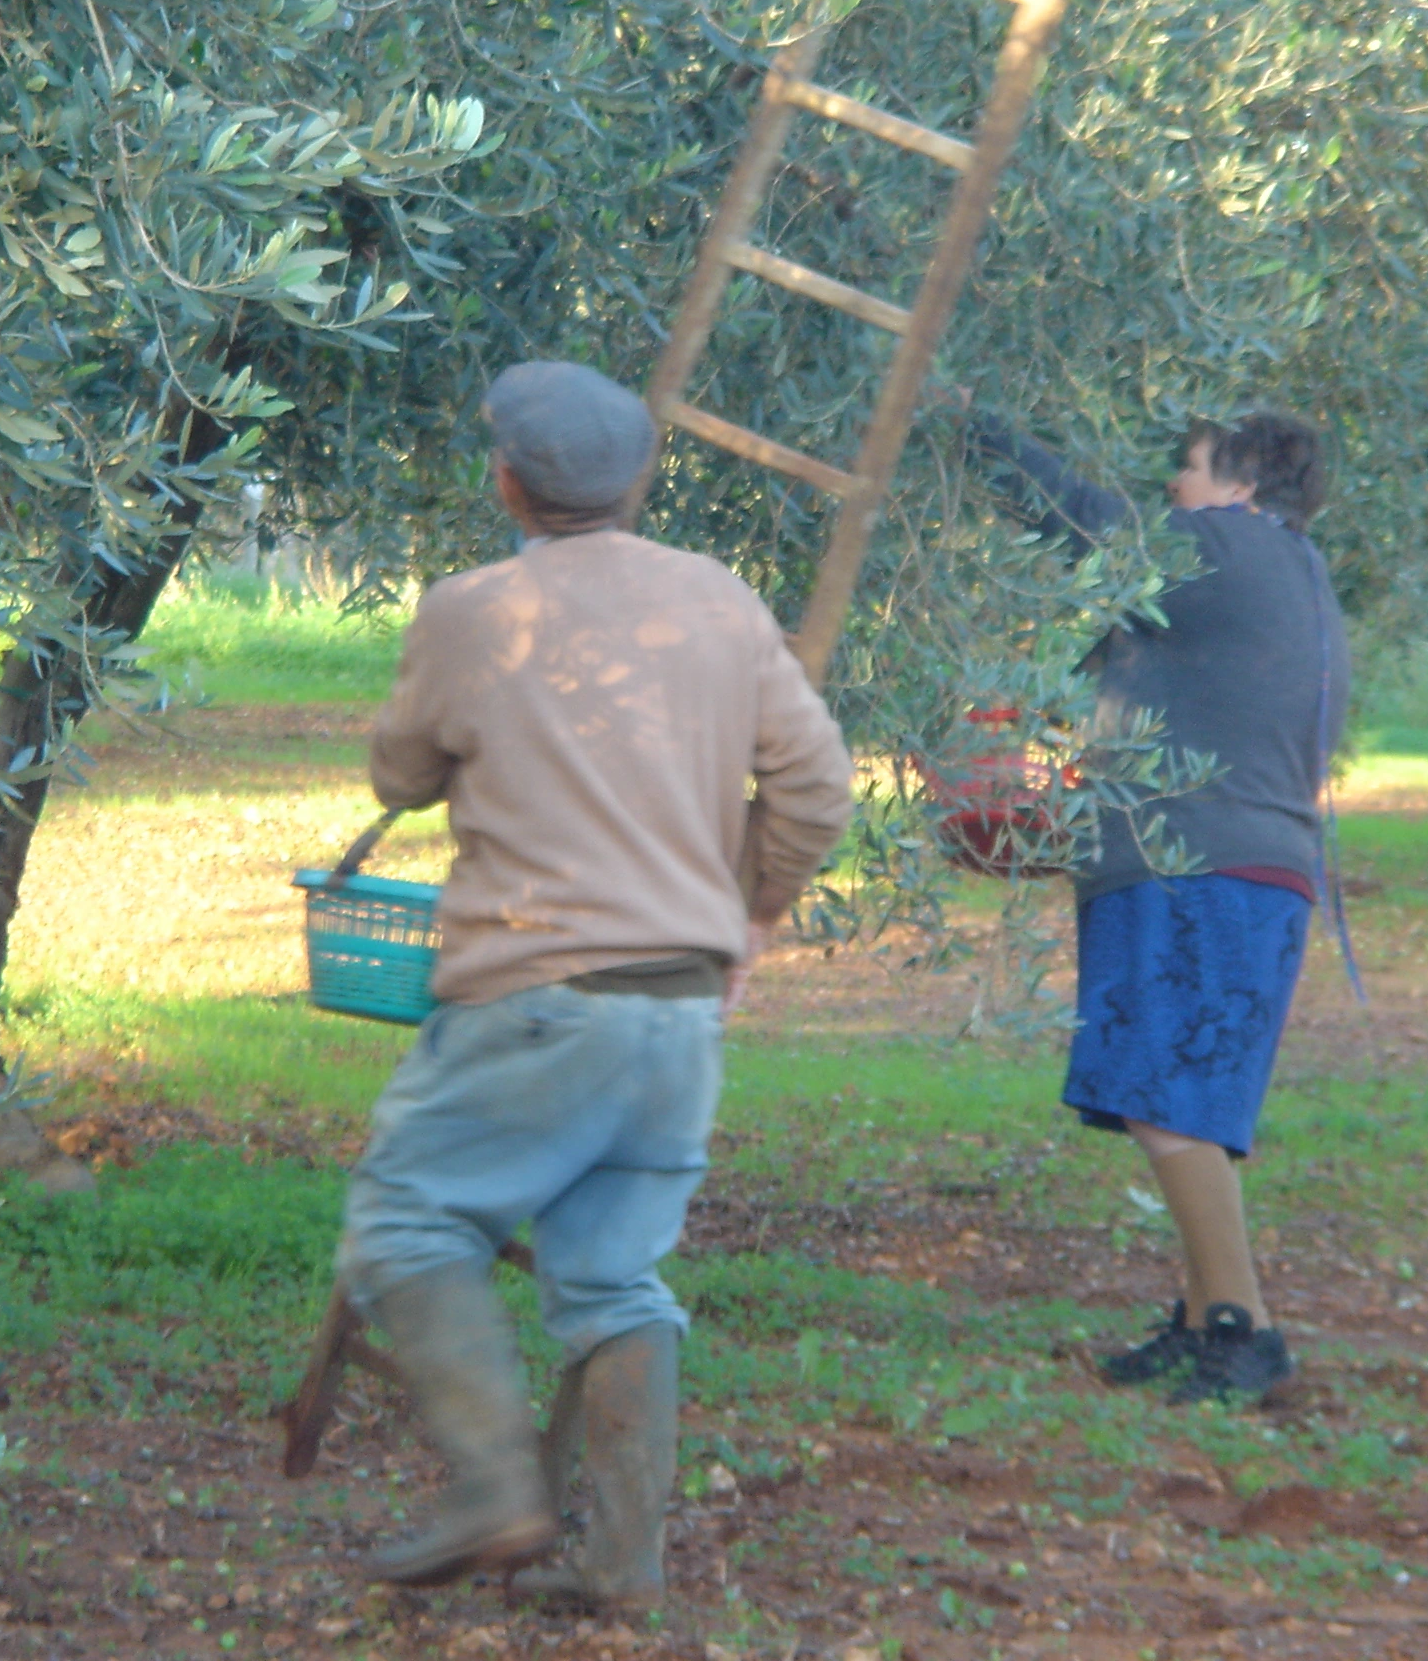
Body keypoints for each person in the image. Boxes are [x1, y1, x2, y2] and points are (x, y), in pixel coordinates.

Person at [338, 359, 855, 1605]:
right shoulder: (722, 602)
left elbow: (400, 777)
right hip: (678, 1014)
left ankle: (498, 1493)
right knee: (615, 1279)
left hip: (533, 997)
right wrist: (755, 913)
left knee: (407, 1221)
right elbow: (818, 788)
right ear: (641, 481)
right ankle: (623, 1563)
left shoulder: (471, 608)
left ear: (507, 481)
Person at [962, 403, 1349, 1405]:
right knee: (1184, 1104)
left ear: (1242, 487)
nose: (1174, 486)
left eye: (1188, 468)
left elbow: (1082, 519)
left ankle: (1240, 1329)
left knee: (1169, 1101)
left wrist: (975, 429)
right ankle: (1199, 1317)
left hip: (1201, 872)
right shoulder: (1279, 568)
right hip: (1232, 870)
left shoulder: (1223, 547)